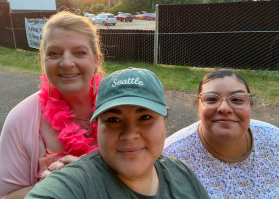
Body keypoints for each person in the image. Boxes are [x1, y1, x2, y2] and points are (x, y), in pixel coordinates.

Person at [25, 68, 210, 199]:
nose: (130, 135)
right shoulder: (77, 184)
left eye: (145, 117)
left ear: (164, 120)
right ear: (98, 126)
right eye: (113, 120)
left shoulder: (183, 174)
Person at [0, 11, 104, 198]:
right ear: (44, 60)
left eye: (79, 52)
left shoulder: (121, 106)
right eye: (54, 53)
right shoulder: (20, 120)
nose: (66, 62)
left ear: (96, 60)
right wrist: (54, 187)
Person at [163, 69, 279, 198]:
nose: (224, 108)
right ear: (198, 105)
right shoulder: (170, 157)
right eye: (211, 99)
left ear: (249, 106)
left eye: (237, 99)